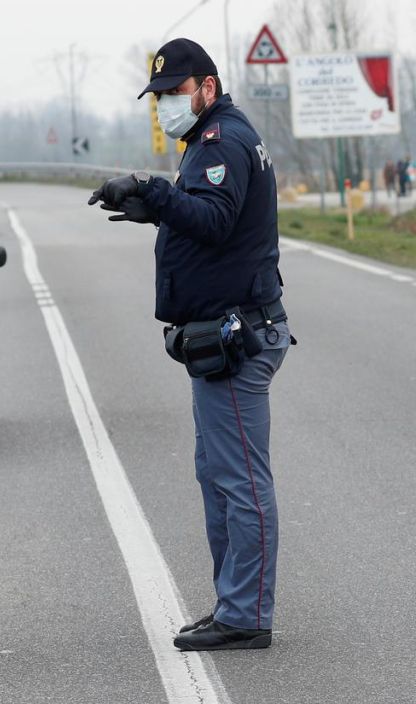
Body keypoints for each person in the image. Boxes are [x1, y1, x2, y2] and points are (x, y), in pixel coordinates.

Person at [87, 38, 293, 651]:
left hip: (237, 335)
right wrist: (155, 208)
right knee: (219, 476)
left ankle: (247, 615)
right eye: (159, 97)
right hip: (221, 334)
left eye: (175, 92)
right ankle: (233, 603)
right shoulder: (210, 139)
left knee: (241, 483)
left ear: (207, 86)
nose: (165, 105)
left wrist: (153, 192)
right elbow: (206, 220)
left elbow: (212, 220)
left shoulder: (220, 141)